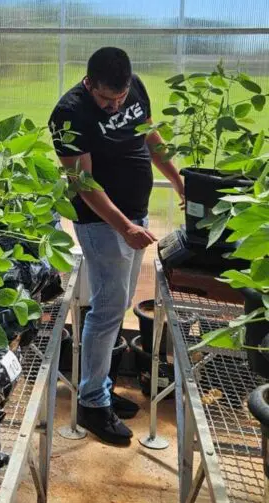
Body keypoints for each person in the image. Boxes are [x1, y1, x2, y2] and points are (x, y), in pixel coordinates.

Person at [48, 47, 184, 446]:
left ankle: (100, 387)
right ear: (89, 83)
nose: (114, 106)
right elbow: (82, 184)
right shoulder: (68, 113)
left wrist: (178, 180)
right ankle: (91, 402)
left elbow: (149, 135)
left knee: (119, 301)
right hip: (102, 223)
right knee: (108, 306)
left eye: (120, 99)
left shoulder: (134, 86)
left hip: (133, 217)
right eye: (107, 100)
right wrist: (124, 227)